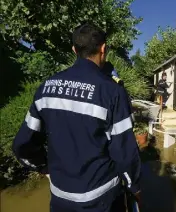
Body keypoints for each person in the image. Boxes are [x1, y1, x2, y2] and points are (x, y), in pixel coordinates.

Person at [12, 23, 141, 212]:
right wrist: (134, 187)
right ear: (103, 49)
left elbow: (21, 146)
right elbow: (125, 152)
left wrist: (43, 168)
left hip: (60, 198)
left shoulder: (46, 88)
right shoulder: (112, 91)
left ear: (74, 50)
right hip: (101, 199)